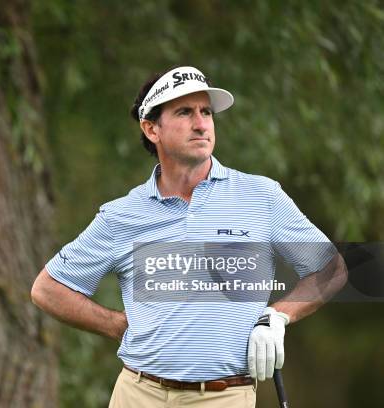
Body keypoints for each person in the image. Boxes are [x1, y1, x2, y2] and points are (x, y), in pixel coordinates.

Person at [31, 66, 347, 408]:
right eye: (185, 112)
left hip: (224, 395)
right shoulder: (121, 214)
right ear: (151, 129)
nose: (201, 123)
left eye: (206, 112)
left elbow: (330, 269)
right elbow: (48, 289)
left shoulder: (261, 197)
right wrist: (117, 325)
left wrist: (279, 316)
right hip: (138, 393)